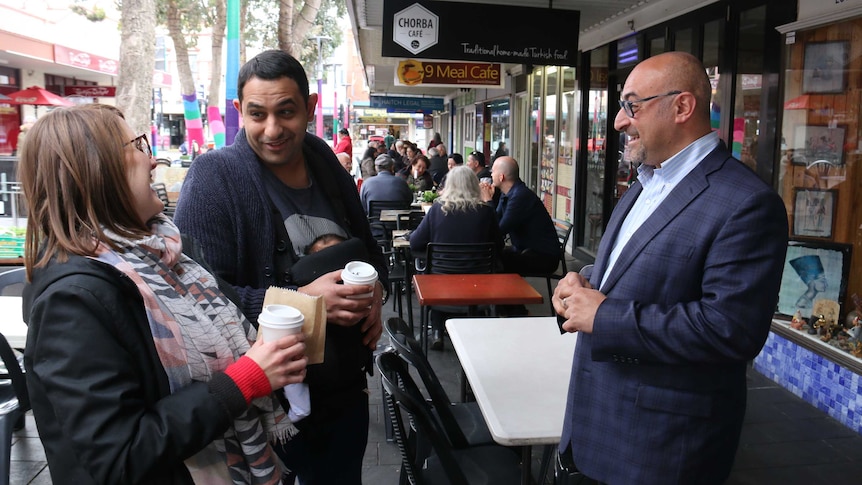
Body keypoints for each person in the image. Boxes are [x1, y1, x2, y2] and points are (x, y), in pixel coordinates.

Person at [19, 103, 308, 484]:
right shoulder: (72, 301)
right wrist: (241, 383)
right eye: (138, 146)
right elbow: (118, 458)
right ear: (100, 172)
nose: (152, 161)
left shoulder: (168, 258)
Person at [552, 52, 788, 484]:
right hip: (592, 425)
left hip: (659, 449)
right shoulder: (642, 185)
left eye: (632, 106)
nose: (620, 122)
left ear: (682, 107)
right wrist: (580, 290)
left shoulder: (747, 203)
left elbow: (731, 330)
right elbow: (624, 287)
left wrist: (604, 314)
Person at [174, 49, 387, 484]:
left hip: (344, 390)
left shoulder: (323, 159)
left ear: (309, 109)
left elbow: (366, 246)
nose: (272, 129)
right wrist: (302, 301)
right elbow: (197, 302)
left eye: (286, 112)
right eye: (257, 114)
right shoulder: (214, 178)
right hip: (273, 411)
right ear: (239, 111)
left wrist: (376, 288)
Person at [409, 166, 503, 350]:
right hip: (480, 282)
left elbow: (415, 243)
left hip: (441, 279)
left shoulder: (437, 209)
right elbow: (498, 246)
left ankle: (437, 331)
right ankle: (475, 328)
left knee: (434, 277)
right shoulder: (486, 212)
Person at [480, 156, 559, 275]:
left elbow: (499, 230)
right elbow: (496, 221)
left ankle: (506, 293)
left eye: (493, 171)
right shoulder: (507, 193)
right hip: (524, 250)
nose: (491, 174)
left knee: (492, 261)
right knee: (490, 256)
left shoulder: (520, 197)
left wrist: (488, 201)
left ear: (501, 177)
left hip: (542, 257)